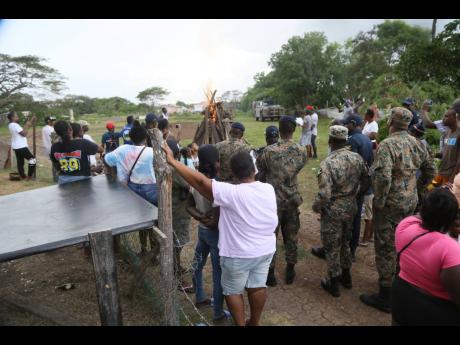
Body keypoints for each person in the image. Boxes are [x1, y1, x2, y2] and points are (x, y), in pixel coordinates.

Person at [161, 145, 278, 327]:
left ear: (232, 172)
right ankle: (254, 323)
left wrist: (172, 160)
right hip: (265, 251)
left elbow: (200, 183)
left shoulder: (230, 192)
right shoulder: (268, 189)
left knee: (232, 291)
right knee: (257, 286)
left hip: (238, 255)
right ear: (255, 169)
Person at [360, 107, 436, 313]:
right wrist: (419, 191)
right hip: (410, 202)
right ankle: (400, 283)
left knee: (385, 245)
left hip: (390, 204)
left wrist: (380, 201)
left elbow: (384, 177)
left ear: (391, 122)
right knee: (404, 242)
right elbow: (431, 170)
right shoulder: (417, 144)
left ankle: (385, 295)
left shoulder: (387, 145)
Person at [312, 125, 370, 297]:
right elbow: (367, 180)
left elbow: (325, 193)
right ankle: (346, 276)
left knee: (331, 246)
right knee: (345, 242)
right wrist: (355, 194)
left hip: (333, 211)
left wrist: (317, 206)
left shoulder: (328, 163)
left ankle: (333, 282)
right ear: (345, 140)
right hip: (350, 207)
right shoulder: (357, 158)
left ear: (330, 141)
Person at [392, 188, 460, 325]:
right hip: (432, 310)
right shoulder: (450, 249)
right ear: (451, 220)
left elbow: (420, 217)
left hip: (401, 295)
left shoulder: (405, 226)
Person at [257, 116, 308, 285]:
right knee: (291, 236)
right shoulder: (301, 150)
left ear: (279, 130)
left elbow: (261, 173)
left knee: (270, 237)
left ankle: (270, 273)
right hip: (292, 200)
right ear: (293, 130)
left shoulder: (268, 151)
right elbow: (298, 168)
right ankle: (290, 269)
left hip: (273, 202)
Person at [186, 144, 231, 324]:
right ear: (216, 163)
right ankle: (218, 314)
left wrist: (200, 217)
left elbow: (188, 206)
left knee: (197, 264)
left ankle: (200, 297)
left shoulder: (196, 181)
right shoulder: (216, 186)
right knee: (218, 275)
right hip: (215, 235)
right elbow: (215, 221)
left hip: (202, 232)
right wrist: (208, 219)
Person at [103, 120, 158, 206]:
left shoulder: (122, 149)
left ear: (131, 138)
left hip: (130, 188)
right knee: (153, 211)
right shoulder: (152, 152)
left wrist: (112, 175)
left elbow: (106, 160)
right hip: (150, 188)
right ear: (145, 138)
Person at [165, 138, 194, 293]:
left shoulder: (162, 165)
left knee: (175, 243)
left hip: (171, 210)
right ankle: (176, 278)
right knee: (177, 244)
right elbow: (190, 184)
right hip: (178, 213)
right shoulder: (174, 168)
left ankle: (176, 268)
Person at [343, 114, 373, 260]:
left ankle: (345, 250)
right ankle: (352, 251)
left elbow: (350, 165)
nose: (345, 127)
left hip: (351, 187)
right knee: (356, 220)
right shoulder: (367, 139)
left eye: (346, 124)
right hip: (363, 186)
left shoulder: (352, 140)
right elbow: (370, 163)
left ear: (353, 124)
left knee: (347, 219)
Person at [50, 120, 103, 185]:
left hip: (63, 181)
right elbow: (101, 150)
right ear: (70, 129)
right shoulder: (82, 142)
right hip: (83, 182)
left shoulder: (54, 146)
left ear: (57, 133)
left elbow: (57, 166)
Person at [7, 111, 37, 180]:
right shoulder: (14, 125)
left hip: (16, 146)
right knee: (32, 159)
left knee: (20, 161)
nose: (18, 117)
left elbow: (24, 129)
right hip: (21, 146)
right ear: (12, 118)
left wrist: (30, 122)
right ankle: (29, 176)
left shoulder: (11, 125)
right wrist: (27, 125)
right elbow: (24, 133)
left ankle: (22, 176)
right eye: (16, 116)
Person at [435, 108, 460, 184]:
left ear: (455, 117)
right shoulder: (446, 133)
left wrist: (451, 180)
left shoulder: (459, 134)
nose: (443, 119)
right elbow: (446, 153)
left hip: (451, 176)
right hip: (441, 173)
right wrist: (433, 154)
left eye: (446, 116)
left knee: (439, 194)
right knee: (430, 191)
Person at [42, 116, 57, 181]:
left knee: (54, 164)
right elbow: (54, 138)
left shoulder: (44, 128)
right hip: (53, 148)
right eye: (53, 120)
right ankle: (56, 179)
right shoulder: (50, 129)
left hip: (49, 148)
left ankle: (55, 178)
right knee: (56, 164)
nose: (54, 121)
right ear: (48, 121)